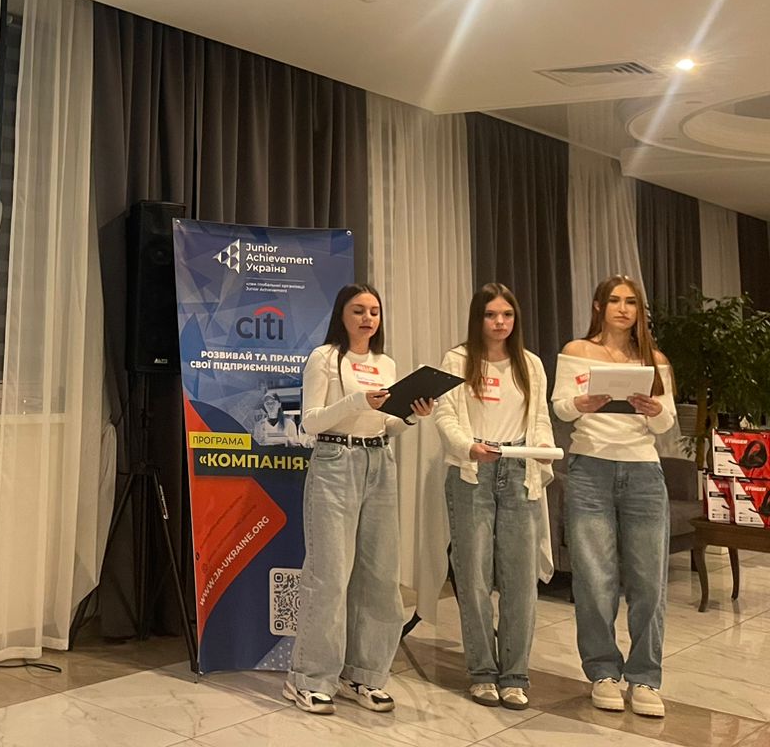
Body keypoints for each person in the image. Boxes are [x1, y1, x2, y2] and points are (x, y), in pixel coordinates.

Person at [285, 283, 435, 716]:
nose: (368, 318)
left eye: (374, 311)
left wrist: (410, 416)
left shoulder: (385, 363)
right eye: (358, 310)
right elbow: (311, 422)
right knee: (330, 574)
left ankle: (363, 674)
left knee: (380, 575)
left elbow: (386, 424)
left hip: (379, 462)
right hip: (335, 460)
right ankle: (308, 678)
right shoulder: (325, 358)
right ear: (342, 315)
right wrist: (356, 401)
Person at [552, 274, 676, 719]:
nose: (623, 309)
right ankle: (603, 672)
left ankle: (645, 677)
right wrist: (581, 404)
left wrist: (655, 409)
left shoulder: (654, 359)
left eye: (631, 302)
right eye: (615, 301)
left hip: (643, 471)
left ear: (640, 310)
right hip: (590, 468)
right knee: (594, 578)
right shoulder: (577, 351)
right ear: (599, 307)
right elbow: (560, 407)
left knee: (648, 582)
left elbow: (666, 423)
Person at [434, 283, 554, 711]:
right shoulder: (458, 359)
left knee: (520, 580)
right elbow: (445, 415)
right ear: (478, 318)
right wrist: (468, 447)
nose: (500, 322)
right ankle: (483, 671)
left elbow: (540, 418)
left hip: (520, 470)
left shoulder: (531, 364)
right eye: (491, 315)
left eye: (507, 314)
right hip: (472, 472)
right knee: (474, 578)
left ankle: (515, 675)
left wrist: (542, 453)